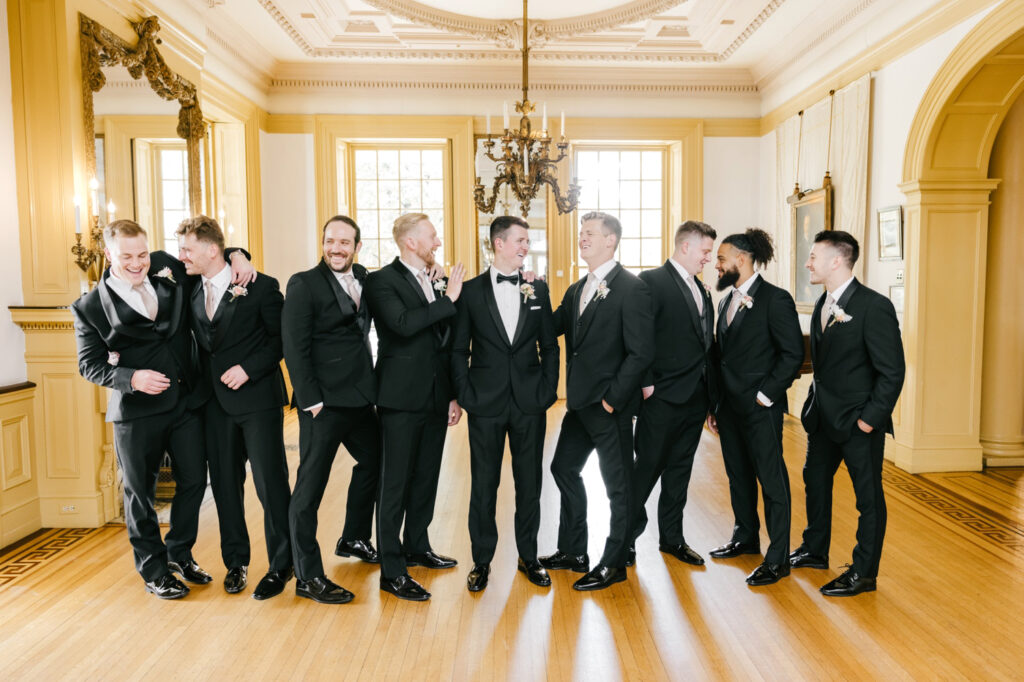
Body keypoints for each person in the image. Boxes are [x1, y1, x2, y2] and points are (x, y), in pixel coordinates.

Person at [72, 219, 251, 598]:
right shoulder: (89, 307)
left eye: (142, 253)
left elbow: (209, 256)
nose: (138, 264)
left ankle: (179, 554)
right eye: (127, 257)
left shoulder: (166, 267)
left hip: (185, 402)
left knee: (193, 480)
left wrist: (239, 255)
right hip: (136, 414)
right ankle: (154, 571)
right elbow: (89, 364)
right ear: (107, 254)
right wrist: (131, 378)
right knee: (141, 494)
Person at [177, 215, 292, 600]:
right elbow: (156, 258)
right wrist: (236, 251)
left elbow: (281, 341)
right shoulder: (187, 285)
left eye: (188, 249)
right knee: (226, 487)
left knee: (269, 485)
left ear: (212, 251)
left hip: (257, 400)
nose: (182, 257)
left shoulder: (262, 287)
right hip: (213, 404)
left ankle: (282, 564)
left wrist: (249, 369)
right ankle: (236, 563)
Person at [540, 211, 654, 591]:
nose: (582, 238)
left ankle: (614, 562)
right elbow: (551, 327)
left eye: (590, 233)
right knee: (562, 469)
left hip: (608, 406)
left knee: (618, 486)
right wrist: (530, 292)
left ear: (610, 240)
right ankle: (573, 551)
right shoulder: (577, 289)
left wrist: (613, 400)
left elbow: (640, 353)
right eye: (581, 233)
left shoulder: (631, 288)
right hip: (579, 405)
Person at [793, 230, 905, 597]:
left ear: (836, 261)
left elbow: (892, 371)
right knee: (815, 483)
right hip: (823, 420)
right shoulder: (824, 303)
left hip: (859, 423)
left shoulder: (874, 306)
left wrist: (868, 419)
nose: (808, 263)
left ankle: (863, 573)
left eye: (813, 256)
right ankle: (814, 549)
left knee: (867, 498)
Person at [452, 216, 559, 592]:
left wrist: (548, 391)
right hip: (485, 403)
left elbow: (549, 344)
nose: (525, 247)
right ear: (499, 243)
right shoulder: (469, 291)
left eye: (527, 241)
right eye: (520, 241)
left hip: (530, 402)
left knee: (530, 484)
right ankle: (481, 561)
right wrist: (465, 395)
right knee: (484, 485)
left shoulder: (538, 291)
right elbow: (458, 349)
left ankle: (529, 557)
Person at [364, 212, 465, 602]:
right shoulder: (380, 281)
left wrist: (453, 394)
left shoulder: (434, 279)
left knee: (426, 476)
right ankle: (392, 570)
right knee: (395, 484)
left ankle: (417, 545)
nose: (437, 243)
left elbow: (444, 341)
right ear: (410, 242)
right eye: (432, 236)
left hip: (437, 396)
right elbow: (403, 324)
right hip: (400, 397)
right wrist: (449, 299)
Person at [282, 215, 381, 604]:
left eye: (344, 242)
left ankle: (354, 537)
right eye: (330, 241)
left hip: (359, 398)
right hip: (322, 404)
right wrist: (311, 401)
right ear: (322, 243)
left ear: (357, 246)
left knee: (376, 461)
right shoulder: (303, 283)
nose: (336, 249)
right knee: (310, 489)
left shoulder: (366, 278)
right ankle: (308, 576)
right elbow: (294, 346)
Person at [706, 228, 803, 586]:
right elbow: (721, 357)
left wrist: (766, 395)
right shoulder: (725, 300)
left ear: (741, 260)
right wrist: (715, 404)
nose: (716, 265)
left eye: (721, 258)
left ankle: (777, 559)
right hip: (729, 408)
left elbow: (792, 354)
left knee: (771, 479)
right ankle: (745, 537)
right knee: (738, 476)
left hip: (761, 407)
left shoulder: (776, 300)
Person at [630, 220, 718, 568]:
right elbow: (639, 335)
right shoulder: (649, 282)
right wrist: (646, 383)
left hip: (695, 399)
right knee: (646, 470)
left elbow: (705, 345)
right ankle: (624, 539)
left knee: (680, 471)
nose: (708, 258)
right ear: (686, 247)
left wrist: (711, 400)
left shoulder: (703, 289)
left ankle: (672, 538)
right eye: (706, 251)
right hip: (661, 396)